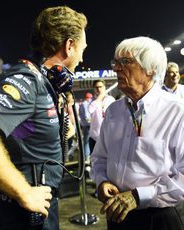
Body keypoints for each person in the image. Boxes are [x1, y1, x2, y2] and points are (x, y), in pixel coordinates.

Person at [0, 6, 87, 229]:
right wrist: (23, 191)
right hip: (22, 217)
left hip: (37, 211)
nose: (83, 56)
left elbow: (29, 136)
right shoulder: (27, 80)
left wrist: (63, 126)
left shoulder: (44, 83)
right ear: (69, 46)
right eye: (83, 47)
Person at [90, 36, 184, 230]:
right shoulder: (114, 111)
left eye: (125, 62)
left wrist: (138, 195)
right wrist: (101, 181)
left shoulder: (177, 111)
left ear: (150, 69)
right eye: (115, 63)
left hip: (158, 218)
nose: (116, 68)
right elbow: (99, 158)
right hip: (116, 215)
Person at [88, 79, 115, 153]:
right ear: (94, 89)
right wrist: (99, 98)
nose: (99, 89)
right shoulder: (92, 101)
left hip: (108, 136)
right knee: (94, 161)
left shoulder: (110, 99)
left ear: (104, 87)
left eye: (100, 87)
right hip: (94, 136)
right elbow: (90, 110)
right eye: (96, 87)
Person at [79, 92, 93, 161]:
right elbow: (87, 116)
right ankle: (87, 158)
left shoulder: (82, 104)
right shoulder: (86, 104)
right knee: (87, 142)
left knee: (86, 141)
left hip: (84, 125)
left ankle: (86, 157)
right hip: (88, 125)